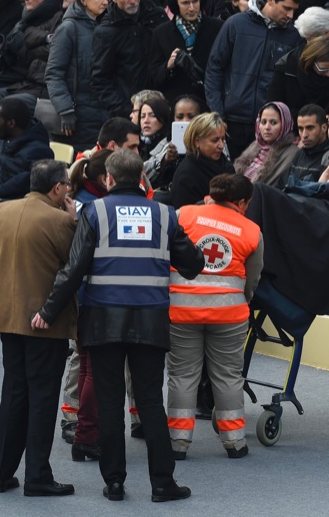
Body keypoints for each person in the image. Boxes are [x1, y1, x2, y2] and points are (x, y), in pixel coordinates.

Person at [34, 149, 203, 502]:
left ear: (108, 179)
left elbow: (74, 269)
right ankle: (162, 483)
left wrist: (49, 311)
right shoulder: (164, 213)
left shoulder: (93, 212)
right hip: (151, 320)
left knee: (109, 403)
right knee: (150, 403)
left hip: (103, 322)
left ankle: (114, 482)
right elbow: (192, 265)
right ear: (142, 177)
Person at [0, 159, 76, 496]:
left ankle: (1, 473)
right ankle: (37, 476)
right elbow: (71, 270)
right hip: (46, 322)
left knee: (14, 392)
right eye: (67, 185)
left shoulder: (0, 211)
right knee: (43, 398)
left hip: (7, 317)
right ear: (57, 188)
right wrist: (74, 220)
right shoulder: (62, 221)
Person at [169, 173, 262, 458]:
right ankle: (234, 442)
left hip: (181, 312)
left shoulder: (183, 214)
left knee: (182, 375)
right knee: (228, 376)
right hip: (230, 315)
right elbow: (254, 278)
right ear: (243, 202)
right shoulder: (251, 230)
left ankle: (178, 443)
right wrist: (240, 301)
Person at [205, 0, 301, 153]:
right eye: (286, 8)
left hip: (269, 128)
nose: (290, 15)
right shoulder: (236, 24)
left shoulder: (293, 35)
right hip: (232, 122)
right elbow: (214, 69)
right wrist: (218, 114)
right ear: (270, 0)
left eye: (294, 10)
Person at [46, 0, 110, 149]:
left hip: (101, 114)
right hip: (77, 118)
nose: (105, 2)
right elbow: (54, 73)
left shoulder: (105, 26)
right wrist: (65, 110)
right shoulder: (68, 29)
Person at [169, 112, 234, 208]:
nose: (221, 145)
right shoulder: (186, 176)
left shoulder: (226, 166)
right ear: (197, 142)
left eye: (223, 139)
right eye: (215, 140)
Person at [234, 101, 299, 187]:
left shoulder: (292, 153)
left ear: (285, 124)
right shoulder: (255, 145)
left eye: (273, 123)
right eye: (263, 122)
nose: (267, 127)